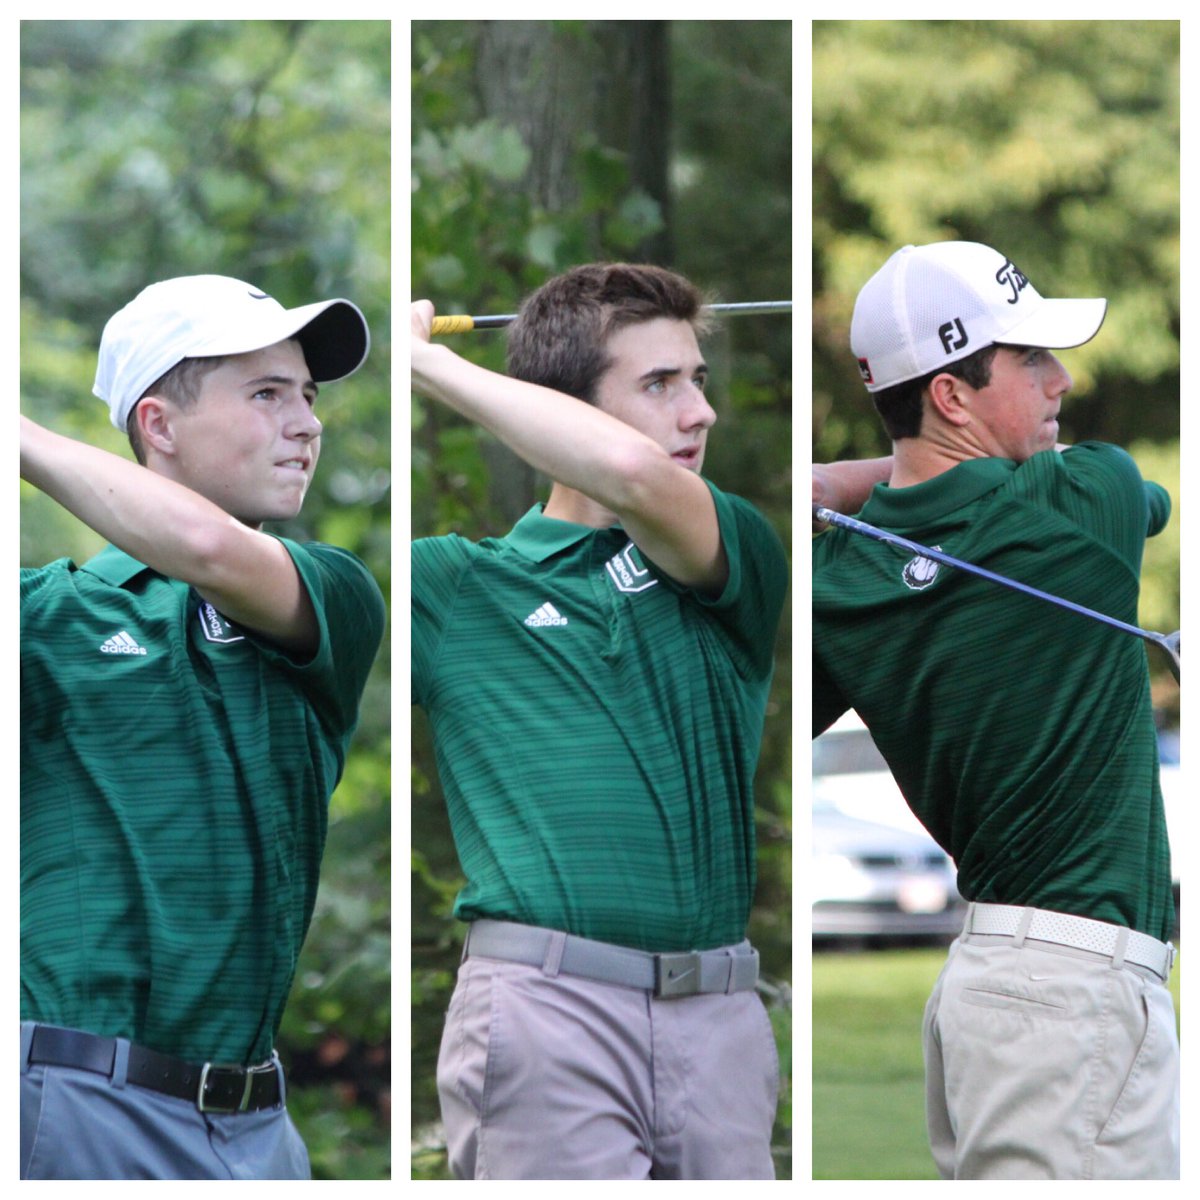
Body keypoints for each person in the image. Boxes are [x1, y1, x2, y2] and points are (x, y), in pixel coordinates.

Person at [411, 263, 789, 1180]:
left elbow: (627, 472)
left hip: (721, 1019)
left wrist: (420, 361)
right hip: (546, 1013)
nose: (698, 411)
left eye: (696, 380)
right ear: (558, 409)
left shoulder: (726, 547)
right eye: (660, 384)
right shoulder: (455, 585)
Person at [812, 240, 1178, 1180]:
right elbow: (1153, 500)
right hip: (1072, 995)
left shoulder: (838, 581)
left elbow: (904, 495)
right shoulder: (1081, 500)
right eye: (1030, 359)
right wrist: (839, 479)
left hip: (991, 991)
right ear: (950, 394)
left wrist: (835, 487)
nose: (1061, 379)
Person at [20, 275, 387, 1180]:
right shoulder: (38, 619)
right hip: (70, 1104)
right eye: (267, 394)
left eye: (307, 396)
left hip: (259, 1130)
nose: (306, 423)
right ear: (159, 427)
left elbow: (214, 551)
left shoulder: (333, 593)